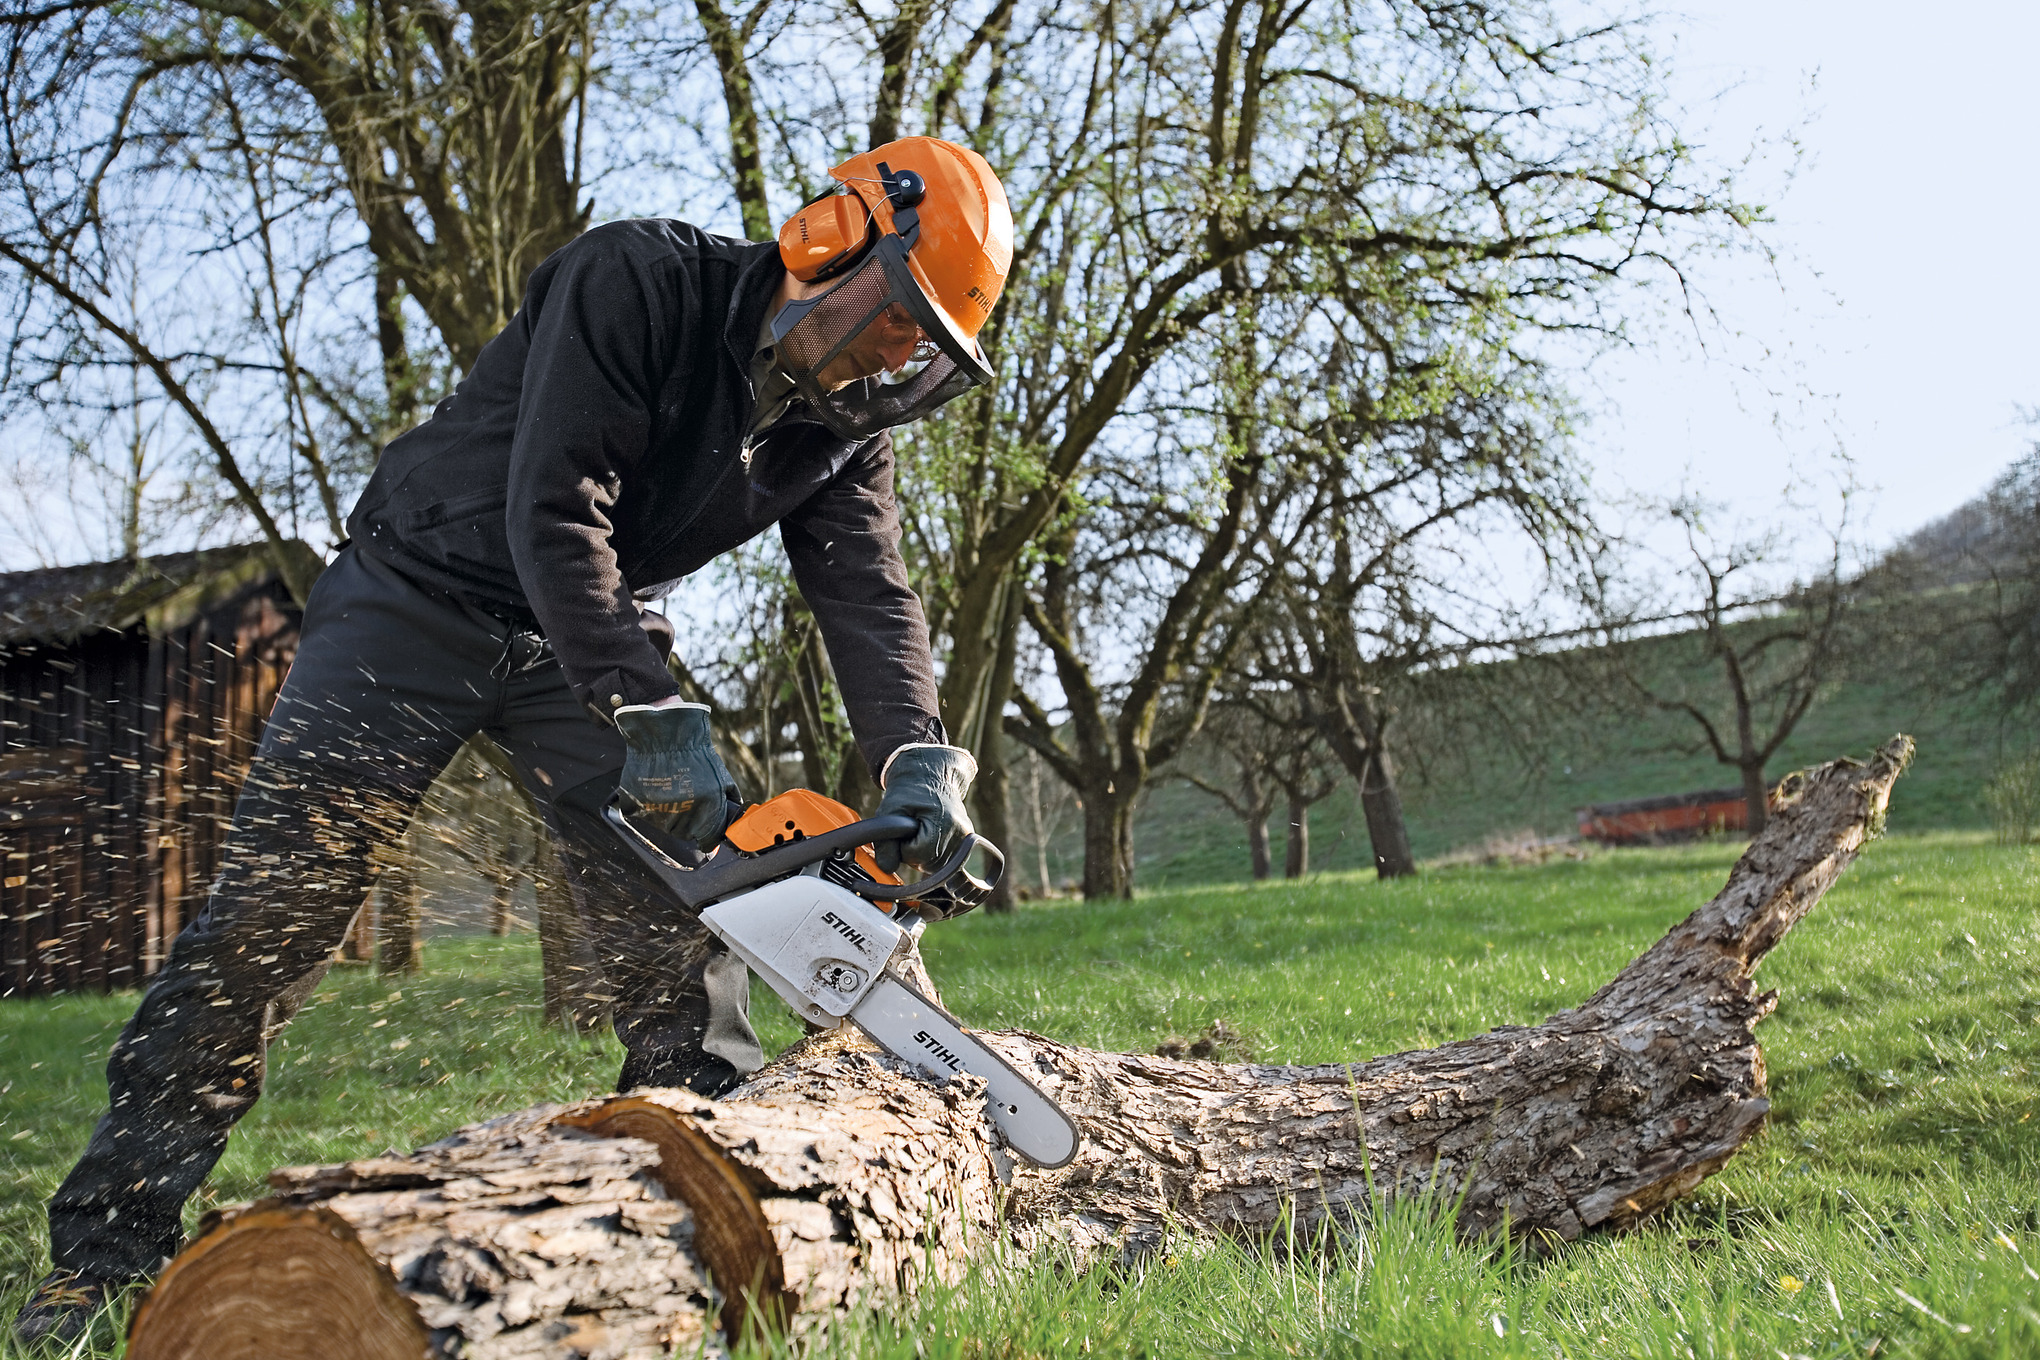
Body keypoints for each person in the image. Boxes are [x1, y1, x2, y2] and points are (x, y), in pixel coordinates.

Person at [12, 136, 1013, 1347]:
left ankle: (707, 1202)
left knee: (685, 912)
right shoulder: (635, 279)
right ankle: (104, 1251)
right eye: (899, 317)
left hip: (578, 647)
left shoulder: (841, 423)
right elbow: (557, 506)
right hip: (415, 599)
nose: (898, 354)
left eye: (925, 348)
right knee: (273, 913)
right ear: (831, 237)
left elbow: (870, 592)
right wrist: (649, 706)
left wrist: (919, 756)